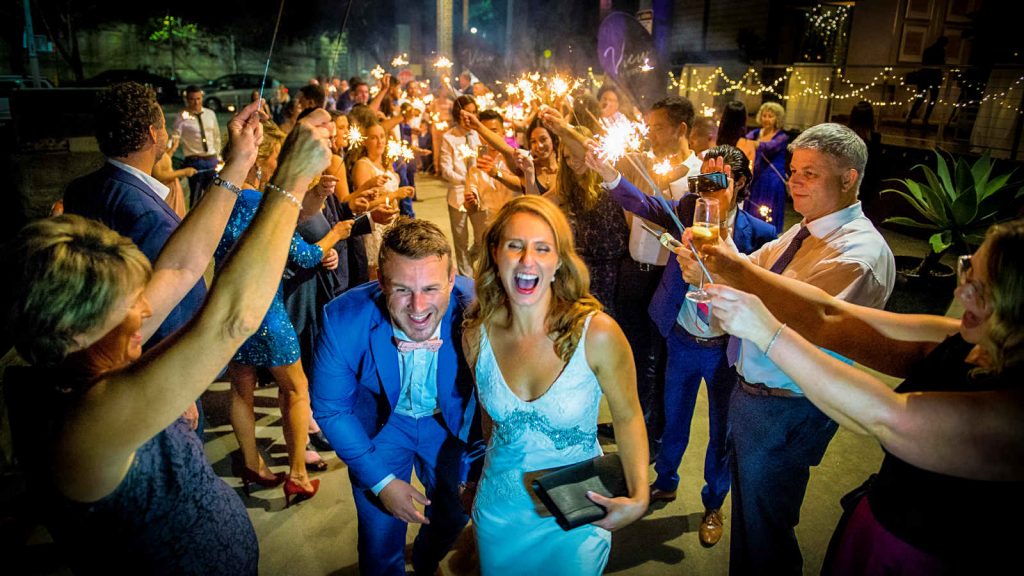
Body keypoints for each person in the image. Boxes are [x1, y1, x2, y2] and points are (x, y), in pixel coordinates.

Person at [5, 102, 333, 574]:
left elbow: (181, 266)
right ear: (73, 327)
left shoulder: (84, 353)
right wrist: (291, 182)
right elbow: (230, 320)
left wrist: (238, 162)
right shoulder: (81, 425)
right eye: (129, 306)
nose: (145, 310)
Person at [703, 218, 1024, 573]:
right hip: (878, 517)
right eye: (968, 271)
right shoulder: (966, 338)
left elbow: (887, 417)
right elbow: (831, 313)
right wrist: (734, 269)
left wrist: (766, 332)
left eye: (981, 289)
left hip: (917, 555)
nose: (961, 294)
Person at [676, 122, 896, 574]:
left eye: (810, 173)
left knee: (766, 532)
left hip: (787, 407)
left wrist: (721, 272)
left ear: (849, 177)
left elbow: (802, 319)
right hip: (756, 396)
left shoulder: (858, 253)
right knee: (752, 522)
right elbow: (747, 267)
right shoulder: (803, 232)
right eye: (793, 170)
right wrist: (718, 221)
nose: (794, 181)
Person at [587, 143, 777, 547]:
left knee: (722, 431)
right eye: (701, 179)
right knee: (673, 419)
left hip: (726, 349)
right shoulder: (686, 211)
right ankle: (666, 480)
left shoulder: (759, 234)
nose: (706, 188)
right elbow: (642, 203)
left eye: (717, 179)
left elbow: (765, 289)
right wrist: (608, 173)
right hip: (682, 340)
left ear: (741, 183)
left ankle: (713, 503)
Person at [462, 195, 649, 575]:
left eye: (542, 248)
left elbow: (628, 417)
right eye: (515, 246)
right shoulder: (475, 335)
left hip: (577, 513)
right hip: (500, 514)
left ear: (559, 261)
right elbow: (489, 423)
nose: (527, 260)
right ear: (495, 253)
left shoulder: (597, 334)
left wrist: (640, 496)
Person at [311, 218, 481, 576]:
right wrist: (383, 482)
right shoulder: (343, 318)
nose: (418, 307)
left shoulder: (480, 306)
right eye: (402, 289)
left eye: (431, 288)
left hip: (449, 425)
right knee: (379, 537)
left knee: (454, 515)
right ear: (381, 281)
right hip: (382, 426)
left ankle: (425, 560)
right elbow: (331, 410)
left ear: (452, 279)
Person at [215, 122, 354, 503]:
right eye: (277, 158)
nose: (280, 165)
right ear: (261, 162)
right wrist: (336, 234)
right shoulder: (258, 204)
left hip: (228, 311)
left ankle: (251, 463)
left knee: (241, 388)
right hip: (266, 309)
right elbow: (304, 255)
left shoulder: (219, 196)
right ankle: (298, 474)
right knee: (295, 389)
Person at [63, 81, 206, 433]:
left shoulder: (81, 188)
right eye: (163, 125)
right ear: (153, 134)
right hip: (154, 375)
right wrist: (176, 384)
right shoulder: (146, 213)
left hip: (101, 361)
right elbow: (159, 307)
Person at [440, 95, 486, 275]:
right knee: (461, 241)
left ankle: (470, 261)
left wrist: (474, 183)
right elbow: (446, 170)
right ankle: (466, 277)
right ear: (458, 114)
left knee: (482, 238)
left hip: (478, 194)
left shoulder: (478, 134)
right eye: (467, 113)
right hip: (457, 195)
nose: (470, 118)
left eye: (474, 113)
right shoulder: (449, 137)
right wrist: (465, 181)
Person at [743, 101, 790, 234]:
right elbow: (744, 141)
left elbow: (769, 147)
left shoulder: (782, 137)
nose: (766, 119)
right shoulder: (756, 133)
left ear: (777, 118)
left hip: (772, 180)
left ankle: (768, 235)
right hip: (757, 177)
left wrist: (752, 144)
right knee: (753, 208)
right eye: (764, 115)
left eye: (770, 116)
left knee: (768, 210)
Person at [173, 85, 222, 208]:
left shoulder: (210, 114)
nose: (196, 102)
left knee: (215, 194)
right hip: (194, 160)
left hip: (211, 159)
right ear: (187, 100)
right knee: (196, 196)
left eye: (198, 98)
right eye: (192, 99)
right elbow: (175, 137)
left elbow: (216, 136)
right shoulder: (182, 117)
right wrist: (169, 151)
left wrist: (218, 156)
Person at [906, 36, 948, 126]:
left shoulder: (928, 50)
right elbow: (941, 64)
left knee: (920, 98)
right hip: (934, 77)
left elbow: (924, 63)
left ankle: (910, 116)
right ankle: (925, 118)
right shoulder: (941, 51)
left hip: (924, 76)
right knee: (933, 99)